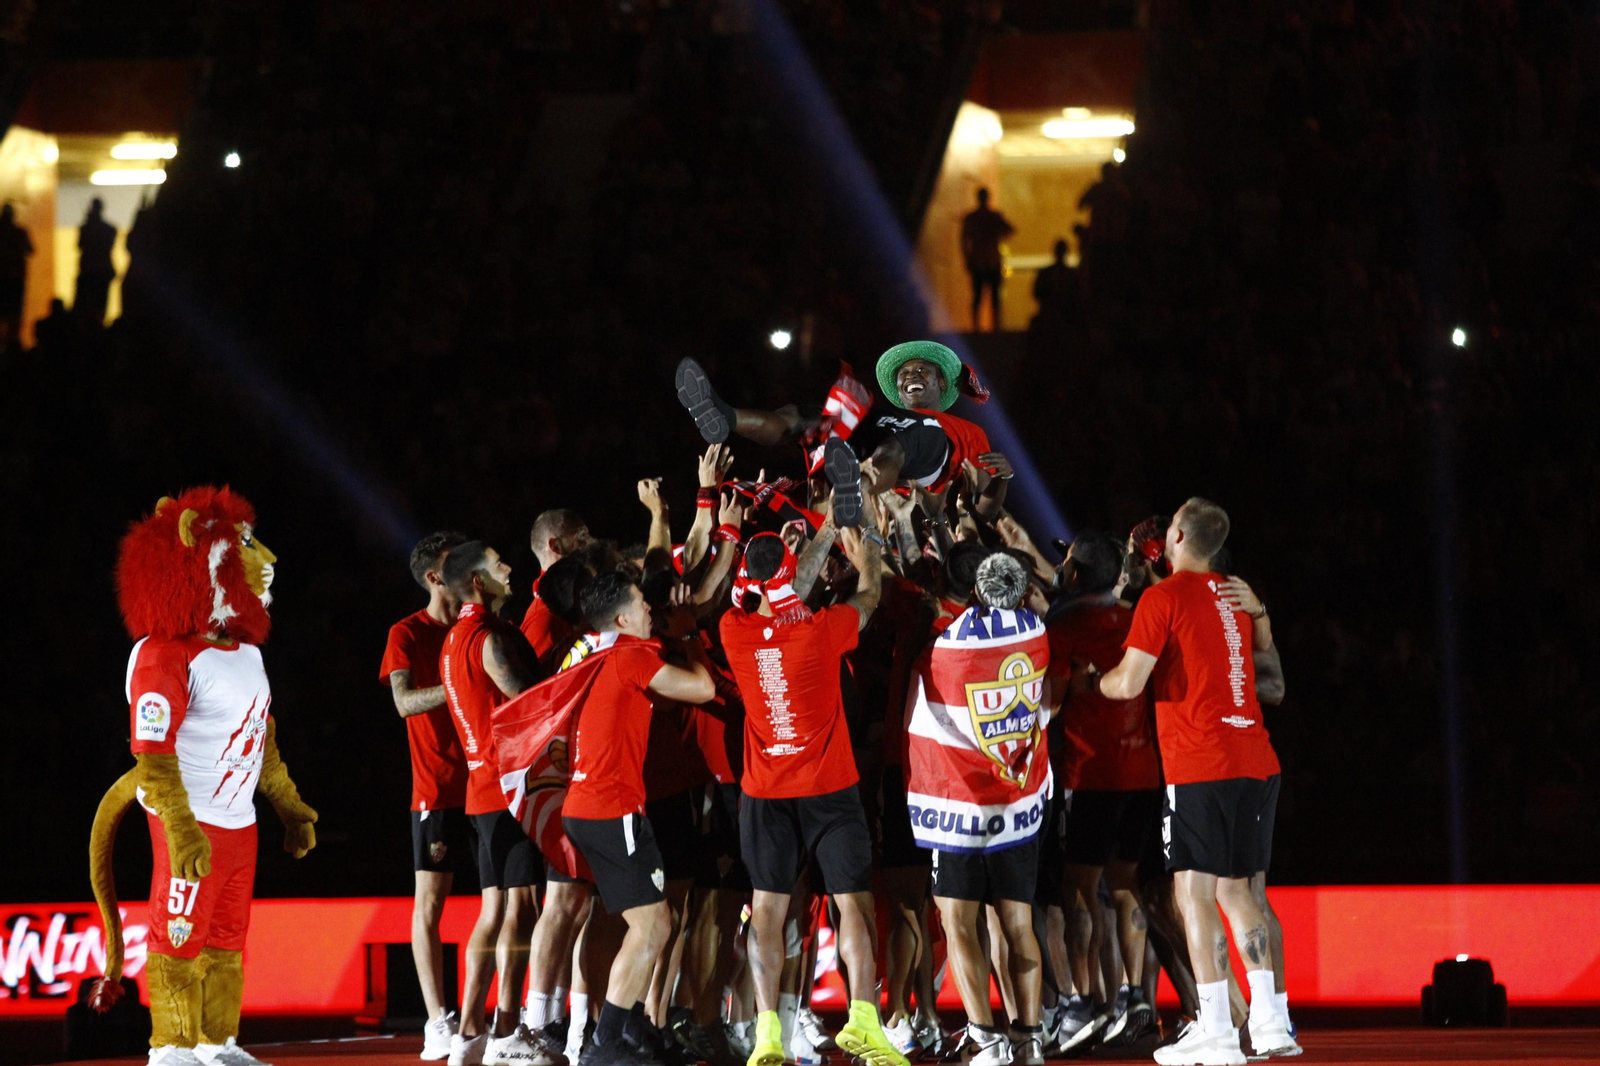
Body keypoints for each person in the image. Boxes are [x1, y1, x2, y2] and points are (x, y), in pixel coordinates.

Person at [1089, 500, 1297, 1064]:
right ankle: (1272, 1024)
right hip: (1256, 758)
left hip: (1201, 763)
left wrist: (1093, 682)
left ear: (1175, 535)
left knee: (1193, 895)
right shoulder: (1238, 597)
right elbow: (1268, 669)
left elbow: (1128, 684)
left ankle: (1218, 1032)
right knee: (1240, 892)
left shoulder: (1163, 598)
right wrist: (1264, 617)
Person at [717, 527, 908, 1066]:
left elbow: (757, 597)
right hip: (829, 789)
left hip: (765, 794)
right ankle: (865, 1023)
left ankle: (768, 1035)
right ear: (790, 571)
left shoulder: (734, 631)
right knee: (853, 906)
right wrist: (865, 554)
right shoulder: (824, 630)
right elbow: (869, 597)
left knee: (770, 913)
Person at [560, 571, 716, 1066]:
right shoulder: (630, 655)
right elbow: (703, 690)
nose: (650, 609)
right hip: (612, 808)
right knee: (652, 926)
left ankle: (623, 1033)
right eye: (641, 605)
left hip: (586, 807)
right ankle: (604, 1048)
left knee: (647, 924)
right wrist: (690, 632)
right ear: (622, 619)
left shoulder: (603, 657)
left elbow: (664, 696)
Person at [904, 553, 1052, 1066]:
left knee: (958, 922)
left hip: (961, 808)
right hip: (1016, 802)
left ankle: (985, 1039)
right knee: (1017, 923)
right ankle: (1029, 1040)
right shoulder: (1037, 635)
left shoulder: (944, 648)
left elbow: (919, 707)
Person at [674, 341, 1013, 527]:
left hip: (929, 453)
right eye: (905, 372)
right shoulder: (881, 412)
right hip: (880, 435)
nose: (911, 375)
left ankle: (856, 485)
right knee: (807, 416)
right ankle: (724, 415)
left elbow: (985, 511)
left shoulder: (968, 431)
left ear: (941, 382)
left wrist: (1001, 480)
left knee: (897, 445)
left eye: (922, 370)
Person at [1045, 532, 1161, 1051]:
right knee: (1125, 884)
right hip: (1143, 772)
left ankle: (1085, 1003)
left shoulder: (1064, 627)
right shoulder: (1140, 617)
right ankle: (1135, 998)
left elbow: (1047, 703)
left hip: (1089, 775)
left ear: (1073, 575)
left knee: (1078, 889)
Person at [440, 542, 548, 1066]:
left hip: (480, 791)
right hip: (509, 790)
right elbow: (531, 705)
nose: (508, 566)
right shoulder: (487, 639)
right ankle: (507, 1033)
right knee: (521, 908)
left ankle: (467, 1034)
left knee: (495, 910)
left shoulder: (453, 639)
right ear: (479, 582)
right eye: (497, 563)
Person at [380, 532, 472, 1060]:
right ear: (435, 578)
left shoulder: (473, 626)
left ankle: (506, 1016)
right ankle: (437, 1021)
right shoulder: (406, 633)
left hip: (489, 785)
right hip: (436, 788)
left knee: (510, 898)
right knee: (429, 905)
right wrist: (457, 685)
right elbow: (403, 702)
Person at [523, 509, 596, 662]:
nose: (592, 543)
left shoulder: (582, 590)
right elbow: (541, 683)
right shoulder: (543, 618)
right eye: (582, 536)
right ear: (556, 545)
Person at [960, 188, 1014, 331]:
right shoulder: (992, 216)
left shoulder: (974, 218)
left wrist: (967, 258)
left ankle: (982, 326)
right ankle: (992, 326)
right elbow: (1009, 230)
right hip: (988, 261)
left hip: (983, 261)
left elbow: (964, 240)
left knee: (982, 296)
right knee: (988, 297)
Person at [75, 197, 117, 327]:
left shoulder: (86, 228)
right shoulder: (109, 228)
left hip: (90, 271)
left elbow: (81, 245)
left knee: (91, 305)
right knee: (100, 304)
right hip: (101, 271)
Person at [0, 203, 33, 348]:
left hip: (8, 279)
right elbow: (30, 250)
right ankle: (12, 345)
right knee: (14, 315)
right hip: (15, 279)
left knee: (12, 315)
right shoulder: (19, 232)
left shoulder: (18, 232)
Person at [1030, 239, 1081, 331]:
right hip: (1064, 315)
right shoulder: (1072, 274)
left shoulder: (1045, 273)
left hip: (1051, 314)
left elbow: (1037, 294)